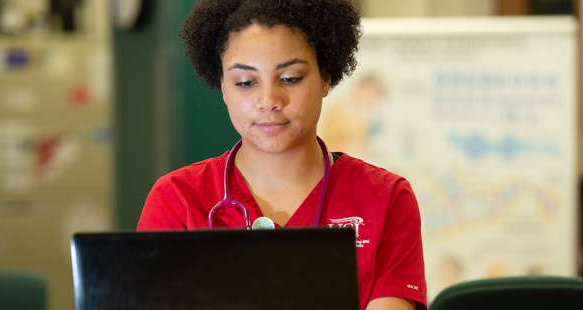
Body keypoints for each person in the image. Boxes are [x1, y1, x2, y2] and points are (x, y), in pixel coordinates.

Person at [137, 1, 427, 309]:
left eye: (290, 78)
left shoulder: (386, 199)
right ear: (222, 86)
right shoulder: (177, 199)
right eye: (246, 82)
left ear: (326, 77)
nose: (268, 100)